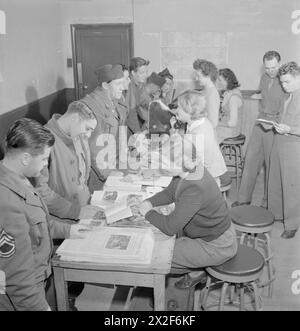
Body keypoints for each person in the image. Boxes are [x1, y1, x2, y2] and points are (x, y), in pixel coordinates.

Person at [0, 118, 89, 311]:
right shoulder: (6, 201)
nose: (45, 164)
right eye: (43, 159)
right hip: (24, 295)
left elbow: (38, 226)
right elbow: (18, 277)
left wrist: (70, 230)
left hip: (40, 277)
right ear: (25, 158)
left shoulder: (21, 178)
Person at [138, 141, 237, 285]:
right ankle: (197, 266)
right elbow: (170, 192)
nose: (162, 166)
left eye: (165, 163)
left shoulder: (195, 186)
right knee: (162, 245)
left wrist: (148, 213)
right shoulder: (188, 171)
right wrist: (149, 202)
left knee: (157, 255)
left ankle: (198, 269)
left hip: (217, 245)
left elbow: (170, 227)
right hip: (207, 235)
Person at [233, 51, 287, 207]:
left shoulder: (284, 81)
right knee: (250, 160)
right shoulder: (264, 78)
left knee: (271, 165)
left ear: (280, 64)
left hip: (275, 124)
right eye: (267, 68)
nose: (271, 71)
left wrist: (276, 122)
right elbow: (265, 96)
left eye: (274, 67)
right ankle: (243, 199)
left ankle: (268, 203)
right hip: (261, 120)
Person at [33, 100, 101, 222]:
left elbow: (84, 176)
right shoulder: (43, 141)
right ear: (74, 118)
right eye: (87, 128)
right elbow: (41, 191)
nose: (89, 135)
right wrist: (75, 211)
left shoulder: (78, 134)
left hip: (85, 208)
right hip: (61, 221)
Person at [80, 64, 125, 191]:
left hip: (114, 163)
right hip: (98, 174)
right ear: (105, 85)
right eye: (118, 84)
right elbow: (93, 147)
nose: (122, 88)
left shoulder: (113, 100)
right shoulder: (91, 107)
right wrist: (108, 173)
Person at [268, 62, 300, 239]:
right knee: (277, 182)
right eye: (281, 82)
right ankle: (279, 215)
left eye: (287, 82)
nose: (283, 85)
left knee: (292, 186)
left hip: (294, 145)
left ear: (298, 77)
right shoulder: (288, 95)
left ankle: (293, 223)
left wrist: (290, 129)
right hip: (280, 142)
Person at [175, 90, 227, 185]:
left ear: (189, 110)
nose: (176, 110)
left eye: (179, 107)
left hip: (207, 181)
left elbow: (198, 166)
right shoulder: (200, 121)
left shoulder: (199, 133)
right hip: (207, 174)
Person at [217, 68, 243, 142]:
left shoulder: (233, 98)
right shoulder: (229, 93)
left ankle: (207, 153)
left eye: (220, 80)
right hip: (228, 128)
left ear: (228, 80)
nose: (219, 83)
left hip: (232, 131)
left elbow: (233, 123)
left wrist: (217, 123)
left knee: (204, 134)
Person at [193, 59, 220, 129]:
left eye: (198, 76)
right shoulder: (205, 91)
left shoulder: (212, 94)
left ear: (208, 76)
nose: (196, 79)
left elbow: (213, 123)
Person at [126, 57, 150, 134]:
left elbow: (147, 103)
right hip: (126, 127)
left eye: (146, 72)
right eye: (142, 73)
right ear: (133, 73)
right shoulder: (129, 86)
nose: (145, 75)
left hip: (136, 123)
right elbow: (130, 113)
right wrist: (138, 133)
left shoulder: (140, 85)